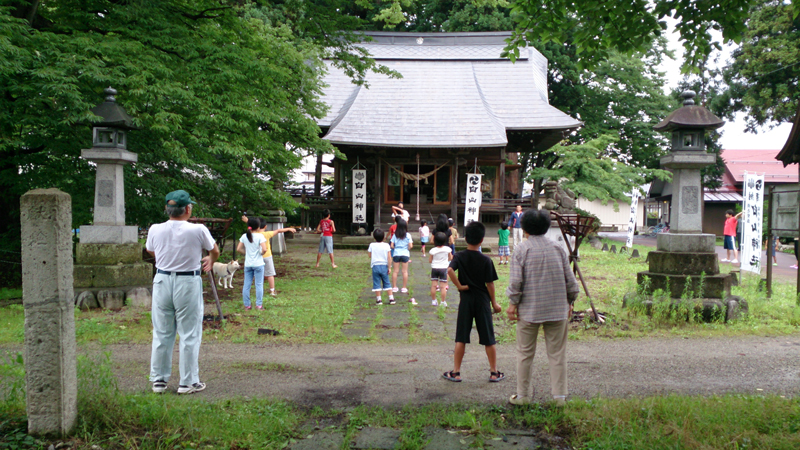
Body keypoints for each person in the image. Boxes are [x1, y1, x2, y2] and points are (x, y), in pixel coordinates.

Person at [146, 189, 219, 395]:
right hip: (187, 280)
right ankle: (188, 382)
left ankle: (159, 380)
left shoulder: (155, 229)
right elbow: (214, 250)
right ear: (188, 209)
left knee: (161, 332)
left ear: (167, 210)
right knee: (189, 333)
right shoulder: (198, 229)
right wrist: (210, 260)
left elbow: (151, 250)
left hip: (162, 279)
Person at [506, 209, 579, 406]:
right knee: (557, 354)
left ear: (525, 228)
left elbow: (515, 283)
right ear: (547, 227)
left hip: (529, 311)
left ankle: (523, 397)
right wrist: (570, 302)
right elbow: (571, 282)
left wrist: (513, 304)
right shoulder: (558, 249)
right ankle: (559, 397)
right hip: (557, 309)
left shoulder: (522, 249)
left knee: (525, 353)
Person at [442, 221, 503, 383]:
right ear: (482, 240)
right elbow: (490, 284)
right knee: (488, 336)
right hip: (482, 300)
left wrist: (460, 286)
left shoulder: (459, 256)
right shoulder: (486, 260)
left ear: (465, 238)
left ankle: (456, 372)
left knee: (461, 336)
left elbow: (449, 270)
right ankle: (494, 372)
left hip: (466, 299)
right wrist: (495, 304)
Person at [241, 216, 296, 296]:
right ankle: (272, 290)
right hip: (267, 256)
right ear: (265, 226)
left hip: (256, 258)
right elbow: (278, 230)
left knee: (256, 274)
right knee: (270, 274)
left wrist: (247, 221)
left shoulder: (251, 235)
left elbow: (252, 225)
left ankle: (253, 290)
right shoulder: (266, 234)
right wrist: (288, 229)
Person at [237, 217, 268, 311]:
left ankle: (247, 305)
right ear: (258, 227)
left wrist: (247, 253)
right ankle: (259, 305)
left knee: (246, 285)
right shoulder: (260, 236)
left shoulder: (244, 236)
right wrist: (261, 253)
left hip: (248, 264)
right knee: (259, 284)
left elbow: (238, 249)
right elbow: (264, 249)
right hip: (258, 264)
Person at [391, 218, 415, 303]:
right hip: (405, 253)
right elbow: (411, 246)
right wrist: (406, 248)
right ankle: (404, 287)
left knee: (395, 271)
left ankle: (394, 287)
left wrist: (397, 247)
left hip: (396, 253)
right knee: (404, 271)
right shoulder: (408, 235)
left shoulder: (395, 235)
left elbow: (392, 245)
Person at [368, 229, 394, 305]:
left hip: (375, 266)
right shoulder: (386, 245)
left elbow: (370, 255)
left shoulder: (372, 245)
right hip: (384, 266)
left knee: (376, 282)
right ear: (383, 237)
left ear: (374, 237)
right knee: (387, 282)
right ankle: (391, 298)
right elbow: (389, 257)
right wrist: (389, 267)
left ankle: (379, 299)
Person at [428, 231, 452, 307]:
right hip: (444, 268)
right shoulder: (447, 249)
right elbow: (450, 257)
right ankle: (443, 302)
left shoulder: (433, 250)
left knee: (434, 286)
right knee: (443, 286)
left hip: (435, 268)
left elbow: (430, 260)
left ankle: (434, 300)